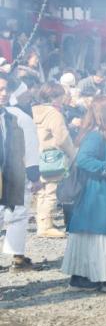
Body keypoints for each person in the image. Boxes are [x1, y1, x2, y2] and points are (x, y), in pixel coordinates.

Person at [61, 96, 106, 292]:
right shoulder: (96, 135)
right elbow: (83, 160)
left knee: (87, 234)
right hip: (96, 191)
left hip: (98, 190)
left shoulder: (103, 133)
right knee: (103, 233)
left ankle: (80, 278)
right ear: (105, 112)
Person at [2, 75, 40, 271]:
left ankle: (17, 257)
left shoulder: (17, 116)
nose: (4, 93)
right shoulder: (19, 115)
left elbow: (30, 148)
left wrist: (33, 175)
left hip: (13, 173)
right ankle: (17, 257)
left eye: (6, 89)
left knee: (18, 214)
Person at [31, 82, 75, 237]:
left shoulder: (34, 110)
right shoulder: (54, 114)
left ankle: (42, 222)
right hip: (51, 157)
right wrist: (72, 154)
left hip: (35, 156)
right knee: (50, 191)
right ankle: (46, 226)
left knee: (41, 191)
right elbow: (62, 138)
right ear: (56, 96)